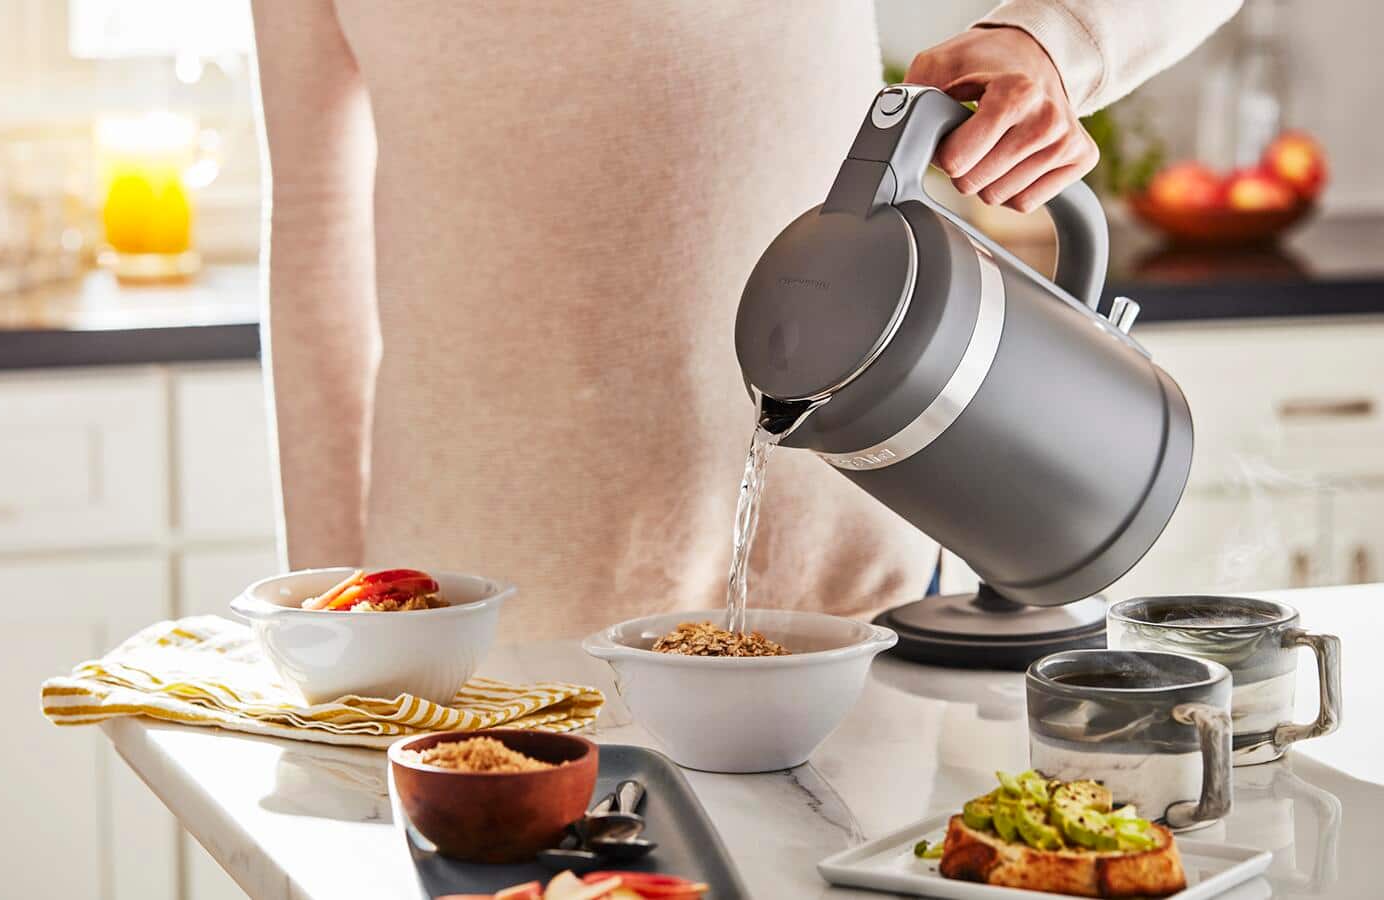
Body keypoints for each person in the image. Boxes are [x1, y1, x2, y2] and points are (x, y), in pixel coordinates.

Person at [251, 1, 1241, 641]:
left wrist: (1054, 41)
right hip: (476, 611)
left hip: (846, 585)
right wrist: (325, 616)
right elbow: (314, 224)